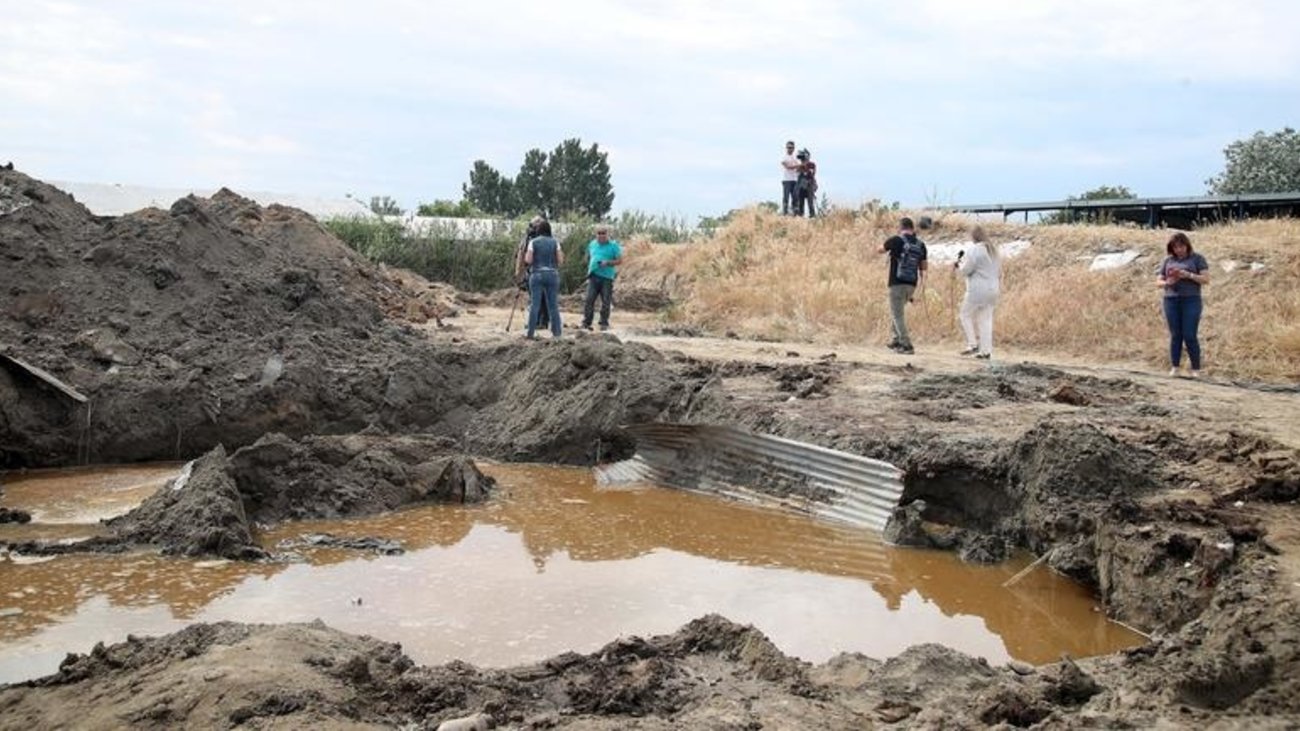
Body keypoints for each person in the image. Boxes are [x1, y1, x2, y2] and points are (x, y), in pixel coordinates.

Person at [1156, 231, 1209, 377]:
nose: (1179, 250)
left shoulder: (1197, 258)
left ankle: (1196, 369)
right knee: (1175, 335)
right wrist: (1168, 282)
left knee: (1190, 334)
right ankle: (1175, 367)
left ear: (1187, 245)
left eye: (1181, 246)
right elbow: (1158, 281)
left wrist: (1188, 275)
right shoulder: (1168, 261)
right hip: (1171, 299)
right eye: (1175, 247)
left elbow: (1206, 279)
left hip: (1191, 299)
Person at [877, 216, 928, 354]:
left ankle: (907, 345)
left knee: (897, 314)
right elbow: (923, 266)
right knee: (897, 311)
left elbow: (880, 250)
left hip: (896, 282)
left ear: (900, 227)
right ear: (912, 228)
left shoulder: (896, 240)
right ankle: (897, 340)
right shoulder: (920, 245)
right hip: (912, 284)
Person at [956, 225, 1002, 360]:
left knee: (965, 314)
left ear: (973, 236)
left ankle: (972, 344)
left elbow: (966, 270)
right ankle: (986, 351)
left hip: (978, 290)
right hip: (993, 289)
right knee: (986, 320)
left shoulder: (974, 250)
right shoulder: (994, 251)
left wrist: (959, 265)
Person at [524, 219, 563, 339]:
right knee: (553, 305)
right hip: (552, 273)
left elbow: (528, 260)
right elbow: (560, 260)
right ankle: (557, 333)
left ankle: (530, 332)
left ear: (538, 230)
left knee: (534, 304)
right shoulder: (555, 242)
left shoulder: (533, 242)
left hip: (537, 273)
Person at [581, 225, 623, 331]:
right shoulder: (592, 244)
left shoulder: (614, 246)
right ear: (596, 234)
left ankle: (603, 322)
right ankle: (586, 322)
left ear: (607, 234)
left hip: (607, 277)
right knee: (589, 299)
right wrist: (589, 264)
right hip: (593, 275)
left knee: (605, 301)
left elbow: (619, 260)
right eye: (599, 233)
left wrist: (607, 262)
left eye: (603, 233)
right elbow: (588, 256)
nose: (601, 235)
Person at [516, 215, 550, 330]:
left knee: (543, 297)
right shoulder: (527, 238)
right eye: (535, 224)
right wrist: (519, 272)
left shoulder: (548, 238)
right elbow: (521, 254)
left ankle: (543, 321)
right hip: (532, 271)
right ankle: (536, 321)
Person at [794, 149, 818, 217]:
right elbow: (797, 173)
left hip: (810, 185)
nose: (802, 160)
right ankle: (801, 215)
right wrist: (801, 166)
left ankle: (812, 215)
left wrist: (805, 166)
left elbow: (812, 174)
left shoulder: (812, 164)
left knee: (810, 202)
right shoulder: (800, 166)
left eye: (803, 158)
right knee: (801, 202)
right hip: (801, 185)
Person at [781, 141, 801, 215]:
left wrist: (801, 167)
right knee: (786, 197)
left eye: (791, 147)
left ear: (794, 148)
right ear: (786, 148)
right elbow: (788, 167)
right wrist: (798, 166)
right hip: (786, 180)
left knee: (795, 197)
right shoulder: (784, 157)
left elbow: (799, 169)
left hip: (795, 180)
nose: (790, 149)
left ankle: (795, 213)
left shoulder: (796, 158)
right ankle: (785, 213)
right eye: (788, 147)